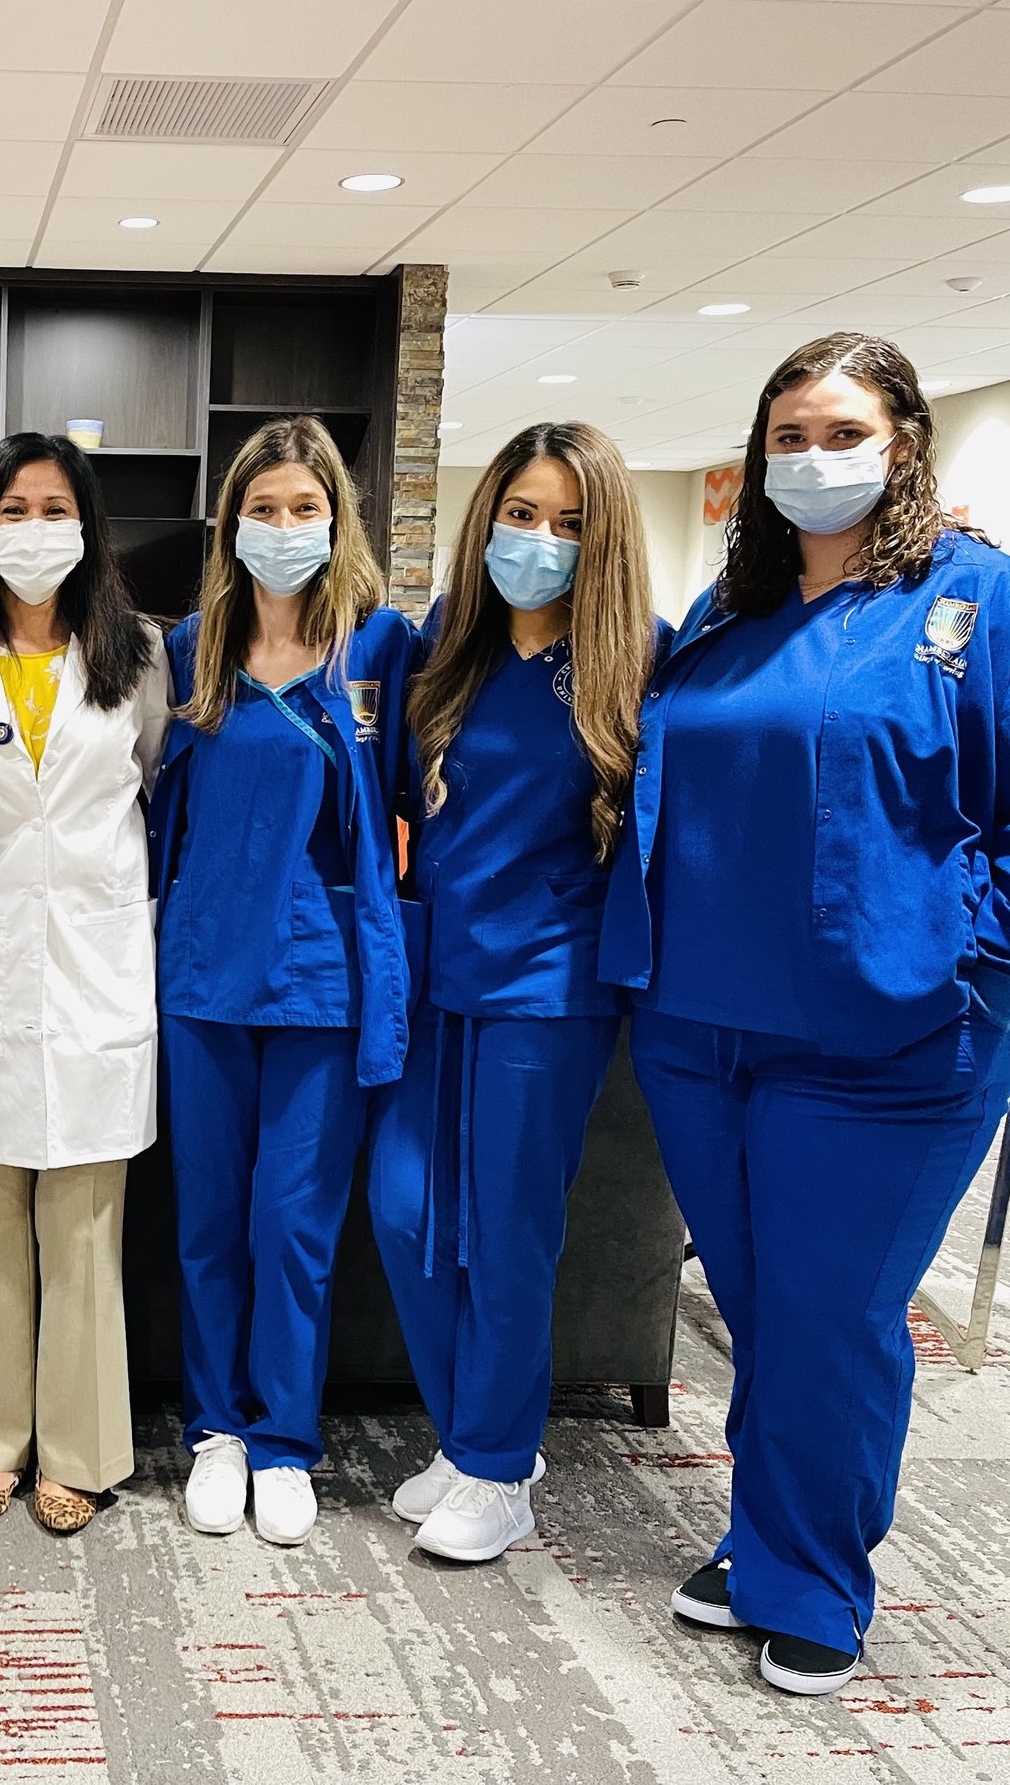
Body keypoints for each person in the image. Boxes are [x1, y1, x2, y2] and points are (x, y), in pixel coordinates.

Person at [603, 332, 1010, 1695]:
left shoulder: (986, 604)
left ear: (904, 439)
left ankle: (817, 1579)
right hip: (702, 1026)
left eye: (840, 431)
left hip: (889, 1039)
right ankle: (773, 1531)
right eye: (787, 434)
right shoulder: (732, 612)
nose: (810, 458)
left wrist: (985, 982)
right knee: (771, 1307)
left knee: (837, 1312)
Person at [369, 423, 661, 1564]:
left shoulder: (638, 655)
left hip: (550, 981)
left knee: (506, 1227)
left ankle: (494, 1468)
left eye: (571, 523)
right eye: (522, 514)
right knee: (402, 1210)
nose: (540, 541)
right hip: (434, 965)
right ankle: (479, 1433)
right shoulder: (438, 643)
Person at [147, 415, 416, 1548]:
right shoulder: (188, 651)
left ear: (337, 520)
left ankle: (282, 1439)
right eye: (264, 509)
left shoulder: (376, 648)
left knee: (291, 1223)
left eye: (306, 508)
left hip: (318, 981)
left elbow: (415, 791)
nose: (285, 527)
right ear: (232, 523)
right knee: (206, 1219)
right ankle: (215, 1427)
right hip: (204, 974)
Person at [0, 431, 168, 1537]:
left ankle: (83, 1449)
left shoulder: (140, 655)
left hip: (98, 969)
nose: (32, 529)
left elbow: (142, 778)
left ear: (88, 525)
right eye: (12, 509)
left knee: (86, 1220)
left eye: (54, 507)